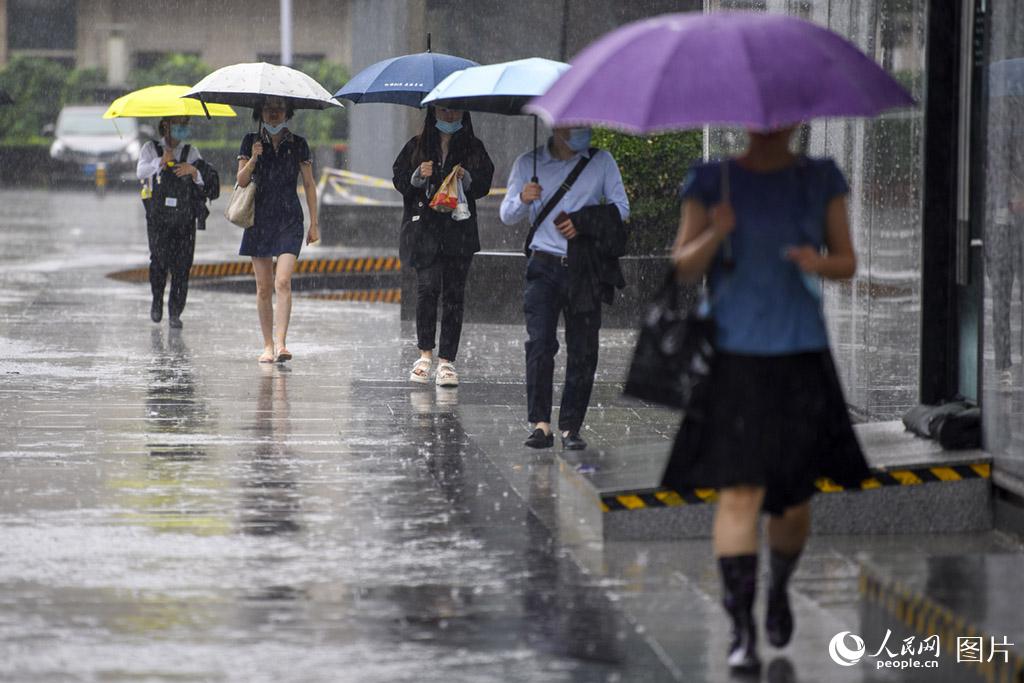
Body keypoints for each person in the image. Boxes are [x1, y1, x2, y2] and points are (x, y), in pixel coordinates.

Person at [662, 126, 870, 673]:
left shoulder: (819, 178)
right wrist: (716, 233)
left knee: (793, 503)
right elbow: (681, 265)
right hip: (733, 362)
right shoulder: (712, 181)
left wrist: (815, 262)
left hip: (800, 358)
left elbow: (847, 261)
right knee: (738, 495)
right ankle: (740, 629)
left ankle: (777, 585)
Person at [499, 127, 630, 450]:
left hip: (584, 267)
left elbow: (621, 209)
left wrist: (584, 221)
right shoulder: (528, 163)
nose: (582, 128)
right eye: (574, 122)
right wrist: (522, 198)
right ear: (557, 126)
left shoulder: (601, 162)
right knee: (541, 344)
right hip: (543, 266)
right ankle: (540, 424)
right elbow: (506, 215)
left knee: (584, 349)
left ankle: (572, 426)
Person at [392, 106, 494, 387]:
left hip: (458, 232)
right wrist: (418, 175)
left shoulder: (473, 148)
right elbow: (400, 180)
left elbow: (485, 183)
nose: (449, 116)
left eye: (455, 111)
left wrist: (467, 178)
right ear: (433, 111)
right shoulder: (417, 146)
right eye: (444, 110)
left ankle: (446, 361)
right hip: (425, 230)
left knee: (454, 295)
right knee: (427, 288)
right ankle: (425, 354)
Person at [236, 96, 319, 363]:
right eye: (268, 108)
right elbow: (241, 179)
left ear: (287, 112)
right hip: (258, 219)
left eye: (279, 108)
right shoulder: (250, 141)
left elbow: (308, 184)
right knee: (263, 287)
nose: (273, 114)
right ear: (260, 111)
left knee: (282, 281)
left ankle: (282, 342)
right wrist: (253, 159)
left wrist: (314, 222)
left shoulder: (299, 144)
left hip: (289, 219)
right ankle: (268, 345)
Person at [137, 115, 213, 329]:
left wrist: (194, 171)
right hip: (158, 217)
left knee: (182, 266)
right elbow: (140, 172)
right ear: (166, 126)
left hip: (185, 218)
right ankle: (157, 301)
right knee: (159, 261)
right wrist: (159, 162)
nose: (182, 128)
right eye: (178, 123)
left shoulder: (192, 152)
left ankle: (175, 312)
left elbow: (205, 181)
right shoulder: (150, 148)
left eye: (185, 124)